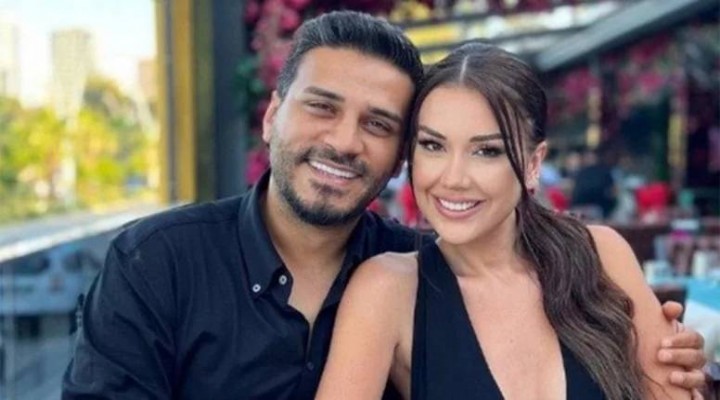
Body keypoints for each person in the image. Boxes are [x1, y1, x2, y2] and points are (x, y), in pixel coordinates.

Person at [62, 12, 707, 400]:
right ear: (271, 116)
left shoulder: (431, 265)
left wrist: (675, 361)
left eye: (377, 124)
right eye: (321, 107)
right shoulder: (158, 263)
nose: (345, 141)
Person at [315, 43, 706, 400]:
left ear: (533, 164)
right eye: (433, 145)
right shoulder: (388, 290)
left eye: (486, 151)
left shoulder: (601, 256)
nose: (453, 178)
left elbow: (676, 391)